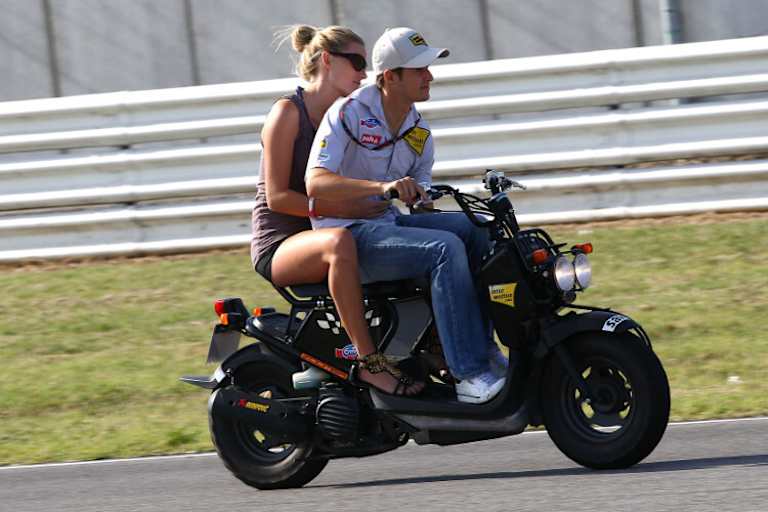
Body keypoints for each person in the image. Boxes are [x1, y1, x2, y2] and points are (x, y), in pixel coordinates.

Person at [306, 27, 508, 403]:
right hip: (348, 233)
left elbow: (422, 201)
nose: (429, 77)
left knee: (478, 231)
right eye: (418, 70)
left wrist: (424, 201)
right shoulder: (347, 113)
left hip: (387, 225)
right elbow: (315, 184)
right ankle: (467, 374)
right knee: (445, 248)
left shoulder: (419, 130)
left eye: (429, 68)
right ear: (389, 77)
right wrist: (382, 189)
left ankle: (485, 351)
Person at [251, 25, 423, 396]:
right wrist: (339, 205)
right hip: (283, 242)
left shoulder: (348, 115)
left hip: (330, 227)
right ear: (327, 61)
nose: (364, 74)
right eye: (357, 63)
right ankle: (369, 363)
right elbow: (277, 198)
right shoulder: (287, 113)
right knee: (340, 243)